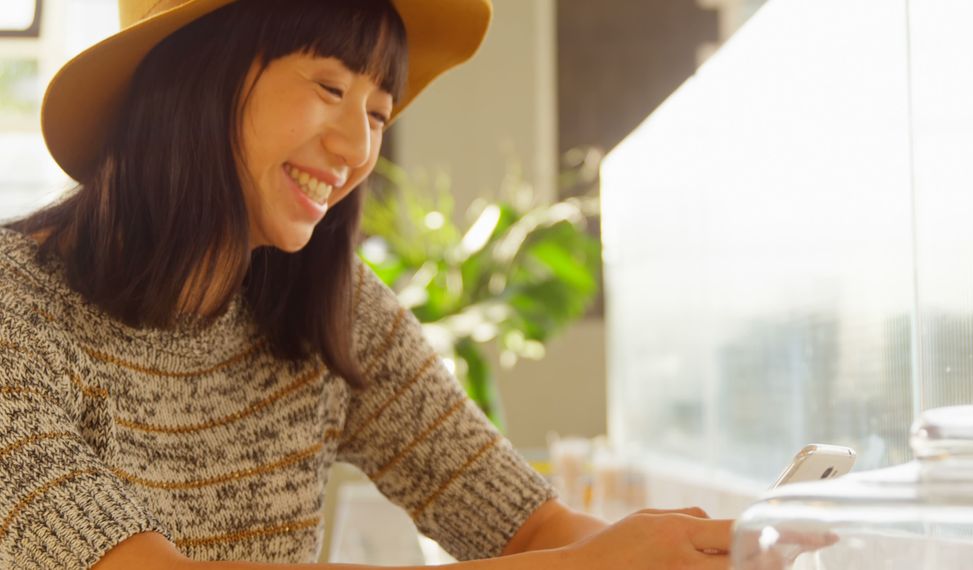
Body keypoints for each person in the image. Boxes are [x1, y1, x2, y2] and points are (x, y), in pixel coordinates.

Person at [0, 0, 735, 568]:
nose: (356, 150)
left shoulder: (333, 304)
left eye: (378, 113)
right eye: (329, 87)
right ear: (198, 74)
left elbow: (529, 526)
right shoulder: (15, 302)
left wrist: (686, 553)